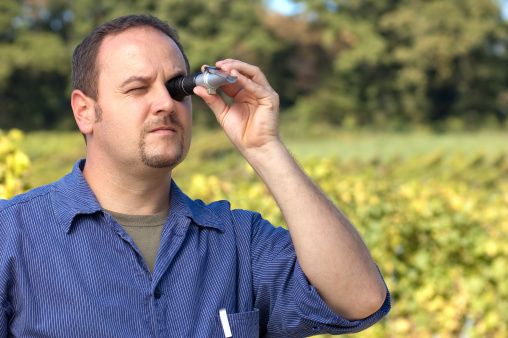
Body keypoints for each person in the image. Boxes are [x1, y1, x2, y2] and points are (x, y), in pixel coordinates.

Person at [0, 14, 390, 337]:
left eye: (176, 88)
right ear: (84, 111)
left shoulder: (240, 243)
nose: (165, 104)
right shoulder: (11, 236)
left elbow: (360, 299)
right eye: (137, 89)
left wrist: (265, 148)